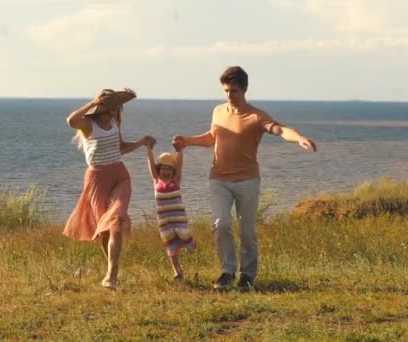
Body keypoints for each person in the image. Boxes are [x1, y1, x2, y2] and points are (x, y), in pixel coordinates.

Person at [173, 66, 317, 290]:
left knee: (247, 231)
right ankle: (227, 272)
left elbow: (279, 130)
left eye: (234, 91)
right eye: (226, 91)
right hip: (218, 178)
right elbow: (213, 137)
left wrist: (298, 137)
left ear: (245, 89)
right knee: (221, 224)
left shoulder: (256, 116)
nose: (229, 95)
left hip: (247, 181)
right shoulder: (218, 111)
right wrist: (187, 141)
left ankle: (247, 276)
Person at [64, 88, 155, 289]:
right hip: (97, 179)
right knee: (104, 231)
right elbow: (71, 120)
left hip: (120, 176)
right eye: (108, 109)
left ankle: (112, 274)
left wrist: (141, 142)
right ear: (99, 108)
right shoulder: (88, 125)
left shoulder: (115, 123)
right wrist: (93, 101)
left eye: (115, 109)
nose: (112, 113)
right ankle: (110, 270)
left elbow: (120, 148)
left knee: (115, 220)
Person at [144, 141, 196, 280]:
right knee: (171, 247)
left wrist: (180, 150)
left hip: (179, 219)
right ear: (158, 169)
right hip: (164, 221)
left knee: (185, 237)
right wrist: (149, 150)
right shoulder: (156, 181)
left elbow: (179, 166)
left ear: (173, 171)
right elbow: (151, 164)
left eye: (169, 169)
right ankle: (177, 271)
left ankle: (190, 243)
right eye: (163, 169)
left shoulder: (176, 181)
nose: (166, 172)